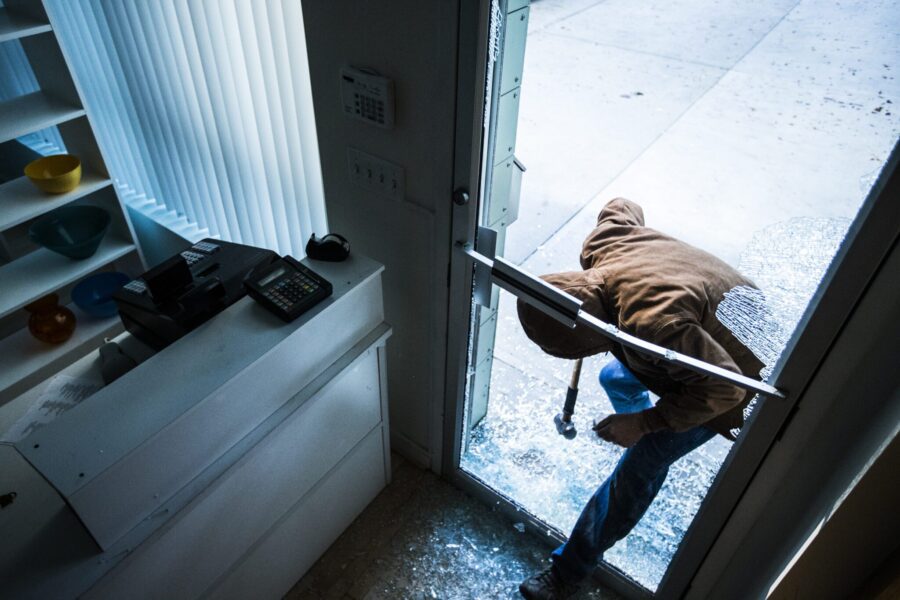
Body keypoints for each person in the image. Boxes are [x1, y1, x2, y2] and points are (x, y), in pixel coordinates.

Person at [517, 198, 763, 599]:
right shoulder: (603, 244)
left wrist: (647, 423)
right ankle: (641, 431)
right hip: (707, 324)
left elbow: (723, 388)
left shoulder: (651, 322)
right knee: (615, 373)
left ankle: (567, 574)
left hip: (742, 373)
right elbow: (622, 204)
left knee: (644, 459)